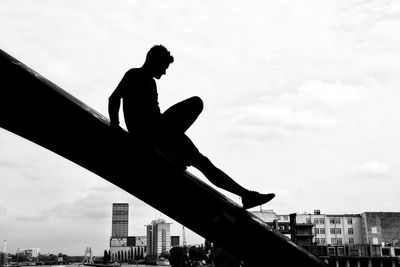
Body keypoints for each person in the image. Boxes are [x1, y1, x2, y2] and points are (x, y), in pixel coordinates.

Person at [108, 45, 275, 209]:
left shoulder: (149, 81)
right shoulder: (134, 75)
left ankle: (246, 195)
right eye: (164, 67)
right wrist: (115, 126)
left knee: (202, 161)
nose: (164, 72)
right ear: (154, 61)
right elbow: (114, 98)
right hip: (154, 133)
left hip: (160, 133)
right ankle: (246, 195)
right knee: (196, 104)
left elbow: (118, 101)